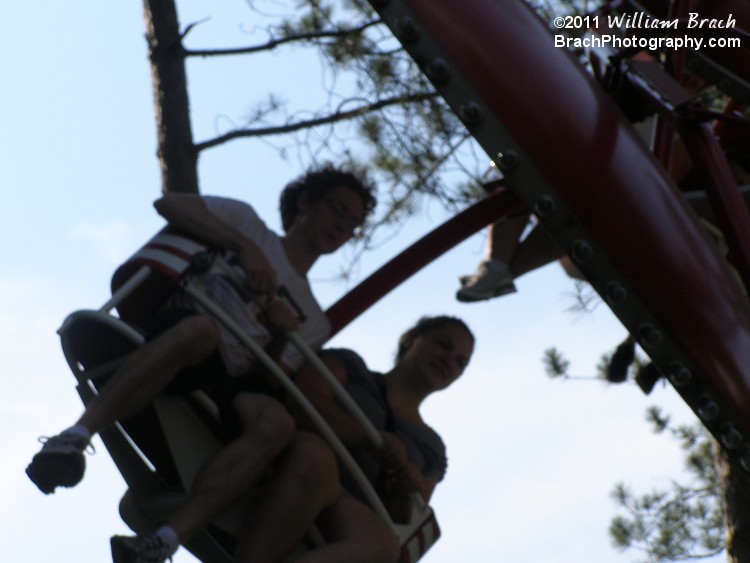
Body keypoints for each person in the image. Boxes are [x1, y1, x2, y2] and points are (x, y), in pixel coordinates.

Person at [26, 163, 377, 563]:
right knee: (201, 330)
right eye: (338, 209)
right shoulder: (246, 224)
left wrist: (280, 335)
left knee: (276, 422)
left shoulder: (315, 319)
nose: (343, 225)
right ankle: (73, 438)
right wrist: (243, 248)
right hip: (183, 334)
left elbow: (267, 376)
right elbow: (170, 204)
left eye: (353, 223)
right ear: (305, 202)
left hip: (232, 378)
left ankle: (164, 540)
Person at [256, 315, 475, 563]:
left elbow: (404, 517)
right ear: (411, 338)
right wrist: (369, 439)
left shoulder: (433, 448)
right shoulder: (350, 365)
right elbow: (302, 399)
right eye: (444, 345)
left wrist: (405, 487)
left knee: (382, 548)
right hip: (302, 463)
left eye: (460, 362)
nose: (449, 361)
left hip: (349, 512)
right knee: (315, 460)